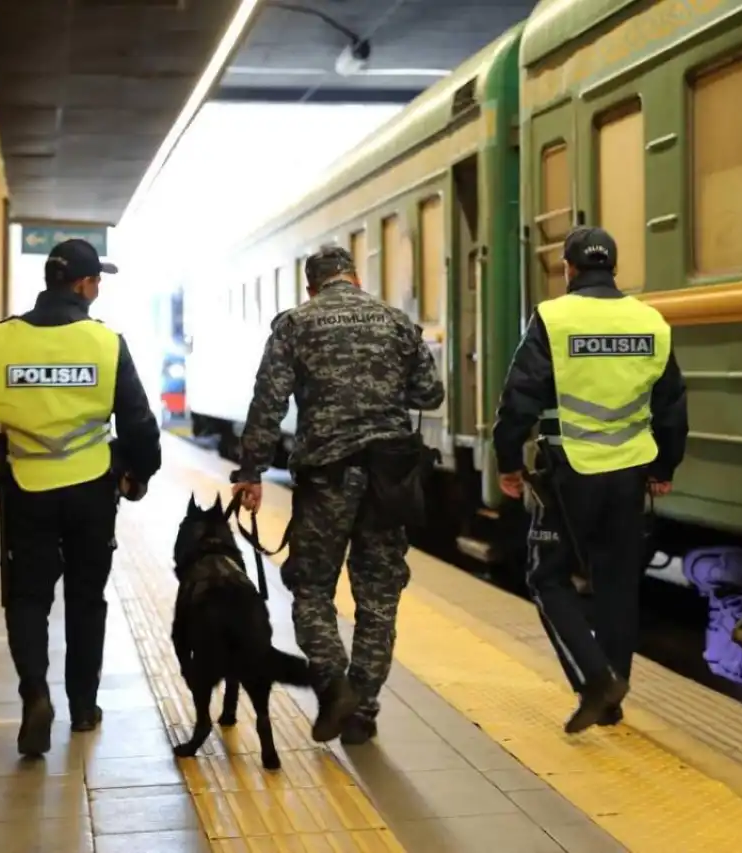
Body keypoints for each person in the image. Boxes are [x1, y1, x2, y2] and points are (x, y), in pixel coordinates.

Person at [0, 238, 162, 757]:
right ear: (85, 286)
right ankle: (83, 708)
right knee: (86, 599)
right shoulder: (105, 343)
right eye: (96, 281)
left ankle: (35, 695)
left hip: (27, 488)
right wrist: (138, 475)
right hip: (91, 489)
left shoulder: (0, 342)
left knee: (28, 598)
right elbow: (138, 423)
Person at [228, 245, 445, 745]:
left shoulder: (295, 324)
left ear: (312, 286)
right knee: (379, 595)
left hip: (327, 478)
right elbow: (429, 395)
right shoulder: (395, 322)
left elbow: (268, 401)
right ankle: (363, 709)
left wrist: (252, 472)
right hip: (388, 480)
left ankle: (333, 681)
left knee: (311, 587)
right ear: (354, 277)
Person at [492, 226, 688, 734]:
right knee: (618, 585)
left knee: (546, 576)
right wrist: (664, 467)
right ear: (614, 268)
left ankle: (595, 679)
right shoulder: (649, 321)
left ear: (569, 269)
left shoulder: (554, 318)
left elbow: (520, 398)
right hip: (628, 474)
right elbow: (671, 404)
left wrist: (508, 461)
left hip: (569, 472)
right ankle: (613, 699)